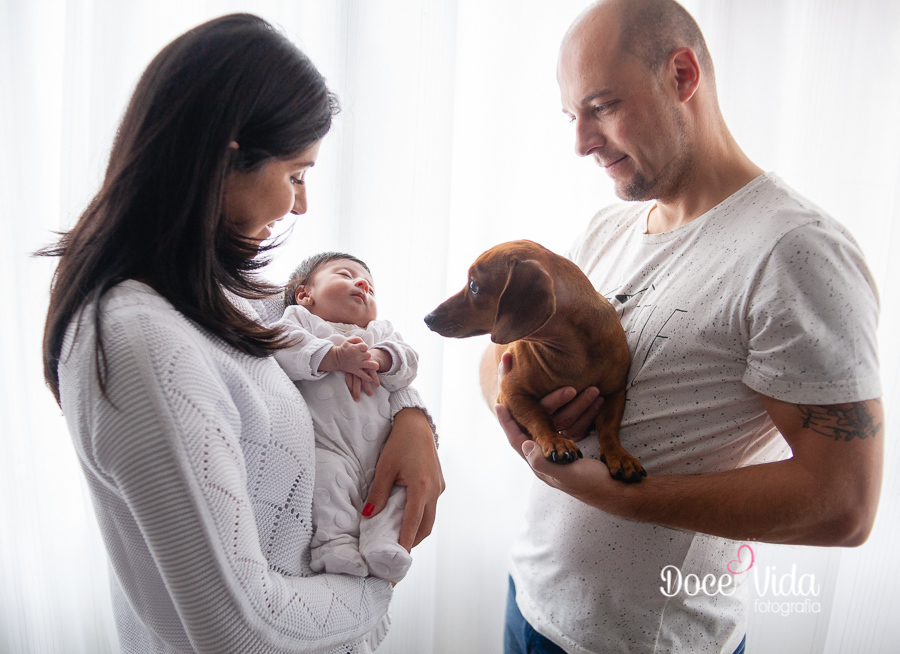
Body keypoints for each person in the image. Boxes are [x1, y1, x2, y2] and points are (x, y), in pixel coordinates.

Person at [481, 1, 884, 653]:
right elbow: (502, 342)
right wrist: (525, 416)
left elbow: (843, 505)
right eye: (571, 116)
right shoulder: (605, 228)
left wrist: (613, 492)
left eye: (602, 107)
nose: (580, 143)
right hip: (531, 605)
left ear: (682, 75)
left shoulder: (796, 252)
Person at [40, 14, 443, 654]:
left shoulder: (215, 294)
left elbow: (329, 343)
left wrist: (414, 421)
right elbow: (242, 630)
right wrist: (377, 587)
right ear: (226, 155)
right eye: (296, 175)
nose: (301, 206)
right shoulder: (139, 342)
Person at [273, 252, 422, 583]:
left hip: (384, 451)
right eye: (345, 275)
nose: (363, 285)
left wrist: (380, 358)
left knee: (396, 493)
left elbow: (409, 362)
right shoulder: (302, 322)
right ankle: (333, 544)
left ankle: (382, 543)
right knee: (327, 484)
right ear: (304, 294)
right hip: (330, 444)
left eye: (370, 286)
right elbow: (282, 347)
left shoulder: (379, 331)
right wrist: (336, 356)